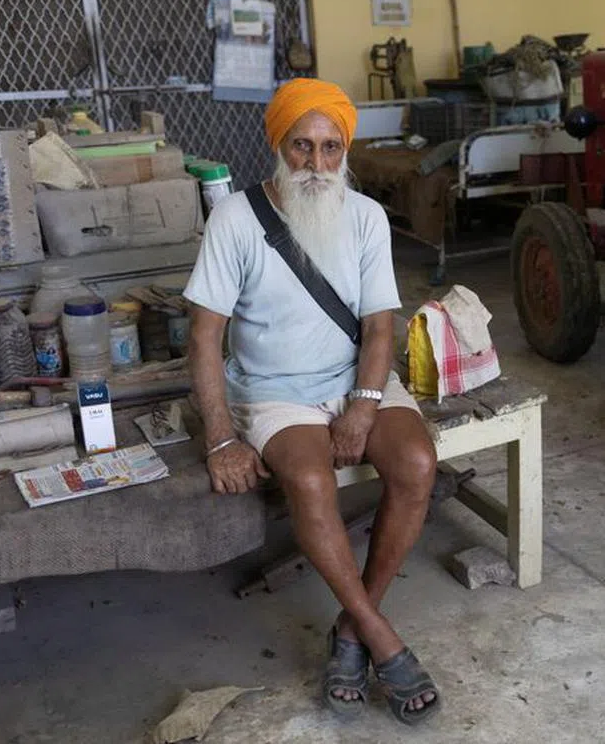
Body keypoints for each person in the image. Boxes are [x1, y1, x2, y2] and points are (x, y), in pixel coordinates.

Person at [184, 78, 441, 725]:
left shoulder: (365, 217)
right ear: (279, 145)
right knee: (305, 474)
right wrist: (220, 437)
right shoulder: (236, 219)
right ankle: (377, 634)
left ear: (345, 152)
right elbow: (204, 336)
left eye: (331, 149)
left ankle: (352, 630)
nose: (317, 165)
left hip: (354, 376)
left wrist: (362, 401)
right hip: (274, 391)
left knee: (415, 464)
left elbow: (380, 325)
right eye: (303, 146)